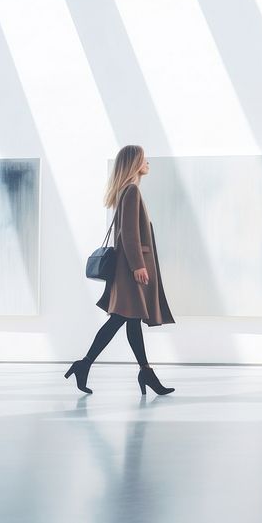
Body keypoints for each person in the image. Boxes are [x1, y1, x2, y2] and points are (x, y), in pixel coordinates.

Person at [65, 145, 176, 395]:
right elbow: (129, 233)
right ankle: (86, 364)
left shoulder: (127, 191)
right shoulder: (132, 190)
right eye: (144, 159)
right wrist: (138, 266)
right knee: (120, 319)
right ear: (135, 162)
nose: (148, 162)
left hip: (127, 269)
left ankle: (144, 372)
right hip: (130, 270)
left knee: (131, 319)